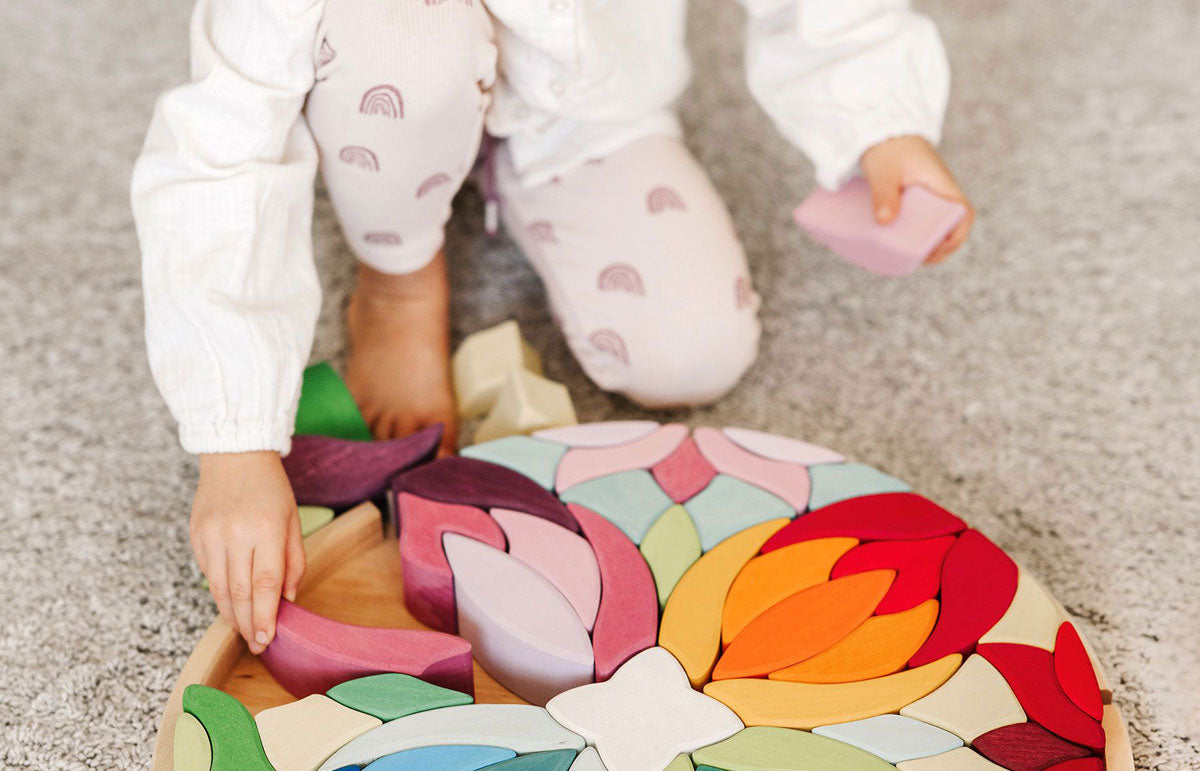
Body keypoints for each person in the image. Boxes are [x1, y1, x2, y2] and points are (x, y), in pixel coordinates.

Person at [132, 0, 973, 654]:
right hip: (392, 78)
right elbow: (220, 147)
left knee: (691, 351)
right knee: (408, 41)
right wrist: (235, 442)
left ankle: (505, 169)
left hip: (586, 109)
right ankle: (397, 272)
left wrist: (878, 120)